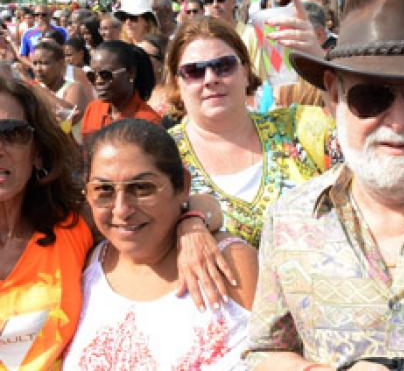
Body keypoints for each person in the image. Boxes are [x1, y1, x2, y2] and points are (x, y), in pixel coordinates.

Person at [244, 0, 404, 369]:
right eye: (372, 96)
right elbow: (266, 349)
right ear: (334, 95)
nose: (400, 122)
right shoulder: (290, 218)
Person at [63, 118, 257, 368]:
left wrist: (194, 220)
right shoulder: (84, 260)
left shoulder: (230, 265)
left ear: (182, 186)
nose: (121, 210)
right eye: (104, 190)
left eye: (142, 188)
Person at [165, 16, 337, 248]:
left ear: (245, 71)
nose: (210, 79)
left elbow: (360, 134)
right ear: (177, 83)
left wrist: (321, 66)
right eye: (194, 71)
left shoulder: (296, 127)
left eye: (223, 66)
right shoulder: (162, 155)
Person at [0, 75, 93, 369]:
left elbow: (158, 214)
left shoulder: (75, 226)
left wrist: (194, 221)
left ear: (38, 153)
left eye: (11, 133)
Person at [81, 40, 161, 141]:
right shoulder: (93, 109)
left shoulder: (149, 122)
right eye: (92, 76)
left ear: (131, 73)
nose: (98, 81)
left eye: (105, 75)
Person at [204, 0, 265, 82]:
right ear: (205, 6)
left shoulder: (251, 35)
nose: (215, 4)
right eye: (210, 1)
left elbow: (258, 78)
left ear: (233, 2)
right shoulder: (202, 40)